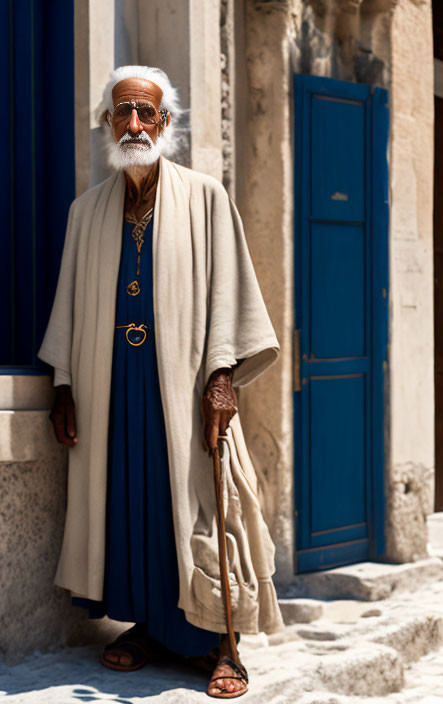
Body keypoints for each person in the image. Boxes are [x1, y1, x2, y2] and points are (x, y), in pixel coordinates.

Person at [39, 65, 283, 699]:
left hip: (186, 385)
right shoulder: (85, 213)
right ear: (107, 123)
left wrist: (223, 378)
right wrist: (64, 385)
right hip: (112, 387)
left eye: (147, 112)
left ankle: (221, 642)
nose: (136, 124)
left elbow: (230, 293)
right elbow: (68, 306)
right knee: (132, 503)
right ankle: (146, 626)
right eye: (123, 112)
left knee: (202, 504)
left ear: (166, 123)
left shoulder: (205, 197)